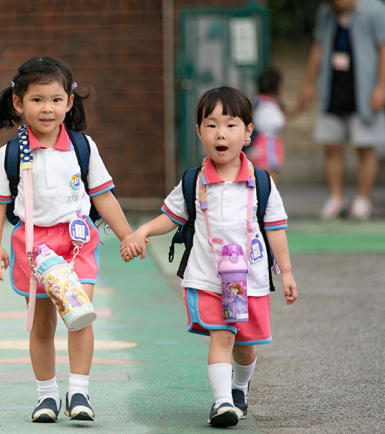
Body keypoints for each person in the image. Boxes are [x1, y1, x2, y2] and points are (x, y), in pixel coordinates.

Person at [121, 87, 298, 428]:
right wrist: (142, 231)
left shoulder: (261, 182)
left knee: (245, 346)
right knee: (222, 336)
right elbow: (171, 216)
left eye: (231, 125)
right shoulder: (194, 181)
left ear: (248, 133)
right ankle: (222, 403)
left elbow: (275, 228)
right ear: (199, 132)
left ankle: (239, 386)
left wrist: (286, 272)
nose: (220, 133)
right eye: (211, 124)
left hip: (251, 281)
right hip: (209, 278)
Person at [0, 56, 135, 423]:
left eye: (55, 99)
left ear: (69, 103)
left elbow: (102, 196)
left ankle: (79, 391)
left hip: (77, 243)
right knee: (42, 325)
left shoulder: (83, 147)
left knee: (80, 315)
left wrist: (127, 234)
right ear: (18, 103)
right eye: (36, 100)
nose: (47, 108)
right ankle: (47, 396)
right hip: (32, 248)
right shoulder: (10, 154)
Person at [297, 0, 385, 220]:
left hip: (364, 91)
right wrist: (308, 83)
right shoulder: (326, 12)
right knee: (331, 145)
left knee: (365, 146)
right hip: (333, 90)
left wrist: (381, 87)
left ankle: (363, 200)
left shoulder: (375, 10)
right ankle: (336, 198)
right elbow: (318, 46)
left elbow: (383, 48)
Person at [248, 68, 287, 182]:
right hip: (268, 143)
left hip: (261, 143)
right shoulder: (267, 104)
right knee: (270, 174)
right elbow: (278, 123)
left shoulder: (260, 101)